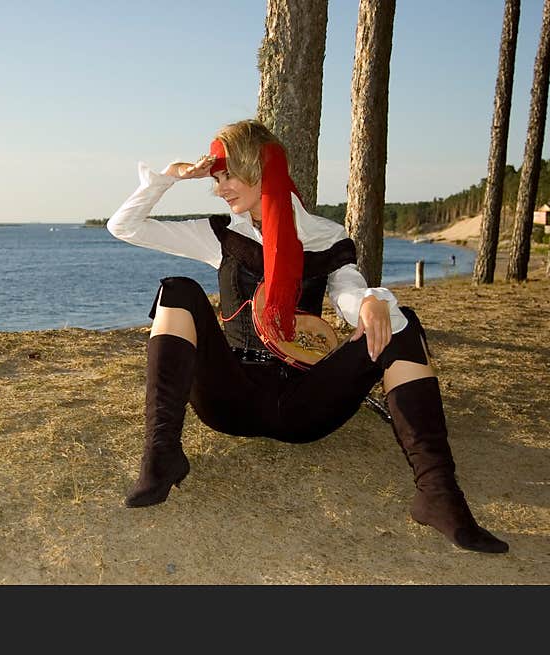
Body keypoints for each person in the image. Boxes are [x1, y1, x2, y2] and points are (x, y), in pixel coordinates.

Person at [107, 119, 508, 554]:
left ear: (265, 169)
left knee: (397, 320)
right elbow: (125, 226)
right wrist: (169, 178)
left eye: (229, 175)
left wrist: (371, 303)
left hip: (304, 404)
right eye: (216, 178)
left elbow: (349, 294)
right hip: (231, 397)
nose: (220, 187)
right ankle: (161, 455)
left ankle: (438, 494)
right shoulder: (219, 235)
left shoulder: (325, 237)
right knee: (177, 290)